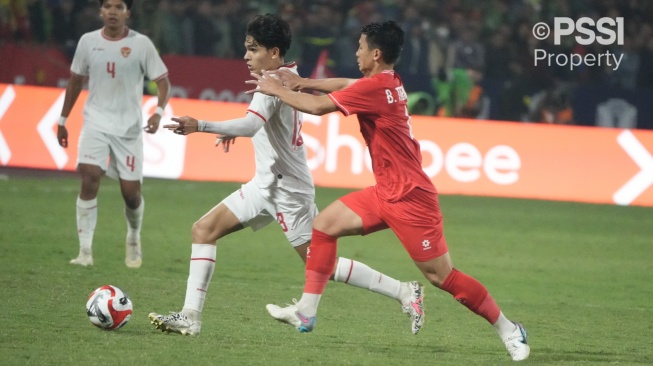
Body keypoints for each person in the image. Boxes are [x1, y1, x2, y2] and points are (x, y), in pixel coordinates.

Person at [247, 21, 530, 361]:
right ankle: (306, 310)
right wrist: (303, 82)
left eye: (361, 46)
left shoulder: (376, 87)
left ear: (376, 54)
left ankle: (509, 329)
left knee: (442, 277)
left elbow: (319, 108)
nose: (356, 52)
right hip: (385, 193)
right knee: (323, 227)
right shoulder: (387, 81)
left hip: (412, 200)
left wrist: (276, 89)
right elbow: (346, 84)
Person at [147, 14, 424, 337]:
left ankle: (404, 291)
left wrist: (201, 126)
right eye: (246, 49)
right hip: (265, 184)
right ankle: (190, 316)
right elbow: (257, 124)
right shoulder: (286, 75)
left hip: (288, 190)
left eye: (253, 49)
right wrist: (232, 131)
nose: (246, 56)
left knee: (322, 265)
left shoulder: (274, 82)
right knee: (204, 229)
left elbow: (252, 124)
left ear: (274, 51)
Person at [57, 0, 170, 268]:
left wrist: (158, 112)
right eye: (107, 6)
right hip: (95, 123)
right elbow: (75, 82)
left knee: (131, 194)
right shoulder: (87, 42)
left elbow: (163, 82)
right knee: (89, 177)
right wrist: (62, 119)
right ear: (100, 11)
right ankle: (85, 252)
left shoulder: (141, 44)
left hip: (128, 129)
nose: (112, 12)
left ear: (127, 13)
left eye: (119, 7)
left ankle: (133, 236)